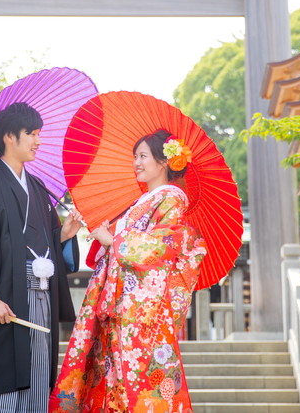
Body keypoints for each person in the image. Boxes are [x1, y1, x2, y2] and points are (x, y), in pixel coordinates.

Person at [50, 129, 208, 412]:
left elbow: (163, 246)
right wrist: (106, 236)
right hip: (120, 304)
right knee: (113, 380)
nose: (136, 163)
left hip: (142, 312)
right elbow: (121, 246)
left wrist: (113, 240)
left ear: (164, 161)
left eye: (143, 156)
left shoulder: (171, 198)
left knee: (138, 383)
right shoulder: (142, 201)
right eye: (135, 156)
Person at [0, 101, 83, 413]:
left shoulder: (37, 188)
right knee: (2, 377)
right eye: (32, 134)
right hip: (3, 298)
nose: (38, 141)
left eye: (38, 134)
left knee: (38, 375)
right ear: (9, 137)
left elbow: (44, 247)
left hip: (40, 296)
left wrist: (64, 235)